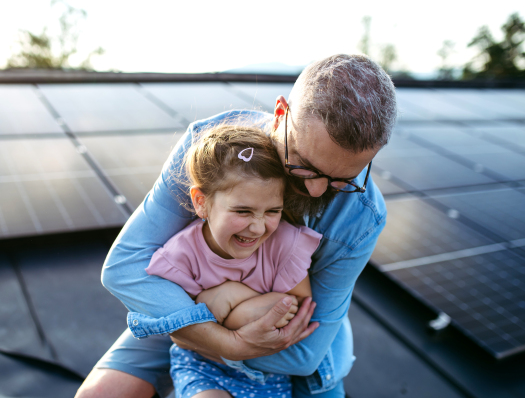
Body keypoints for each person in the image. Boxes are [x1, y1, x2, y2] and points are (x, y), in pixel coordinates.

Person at [75, 54, 397, 398]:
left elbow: (304, 354)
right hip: (196, 306)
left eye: (342, 180)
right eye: (304, 165)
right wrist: (227, 340)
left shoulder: (363, 217)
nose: (316, 189)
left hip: (278, 339)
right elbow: (125, 267)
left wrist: (207, 333)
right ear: (280, 115)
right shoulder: (213, 149)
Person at [147, 124, 322, 398]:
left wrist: (228, 299)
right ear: (201, 202)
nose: (257, 227)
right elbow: (179, 334)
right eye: (242, 211)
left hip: (268, 372)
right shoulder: (179, 257)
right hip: (204, 364)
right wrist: (250, 316)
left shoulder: (284, 245)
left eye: (273, 211)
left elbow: (297, 310)